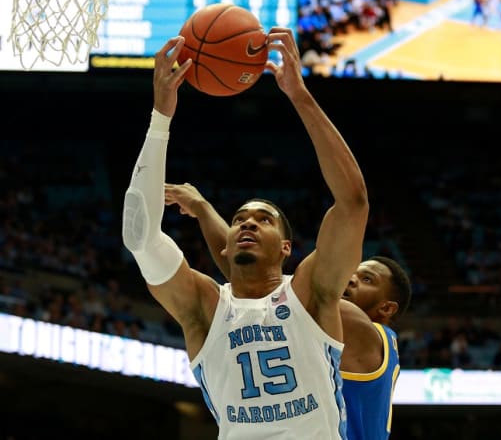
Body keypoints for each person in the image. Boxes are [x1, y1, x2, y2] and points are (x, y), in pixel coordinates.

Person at [121, 29, 370, 439]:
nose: (248, 223)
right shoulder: (204, 308)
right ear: (227, 240)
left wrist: (299, 95)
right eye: (239, 219)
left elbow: (353, 204)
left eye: (264, 219)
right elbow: (140, 238)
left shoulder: (311, 294)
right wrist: (161, 117)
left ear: (287, 248)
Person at [163, 182, 413, 440]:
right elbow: (251, 285)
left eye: (366, 280)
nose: (349, 278)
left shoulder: (357, 325)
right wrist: (206, 213)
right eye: (352, 271)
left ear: (386, 308)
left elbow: (254, 287)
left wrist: (204, 211)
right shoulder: (351, 327)